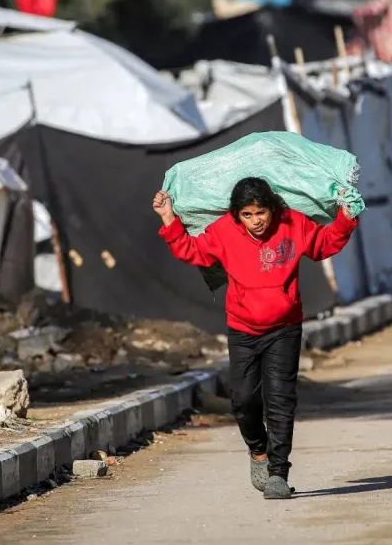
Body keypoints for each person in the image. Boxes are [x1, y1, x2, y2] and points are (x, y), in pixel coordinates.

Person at [152, 177, 358, 500]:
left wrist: (346, 216)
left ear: (272, 209)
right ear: (237, 215)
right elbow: (192, 250)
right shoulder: (224, 231)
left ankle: (278, 473)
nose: (256, 221)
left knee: (280, 400)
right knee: (244, 400)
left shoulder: (292, 223)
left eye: (261, 212)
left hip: (284, 328)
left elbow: (324, 244)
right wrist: (168, 217)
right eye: (247, 215)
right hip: (243, 329)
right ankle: (258, 450)